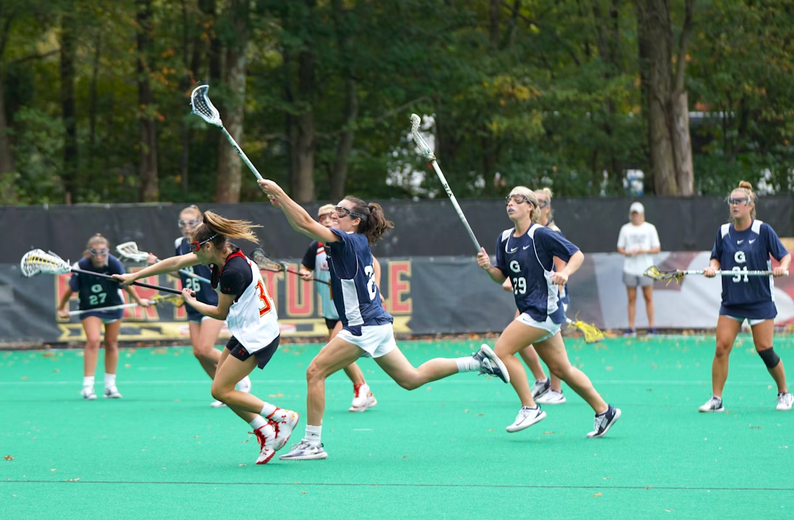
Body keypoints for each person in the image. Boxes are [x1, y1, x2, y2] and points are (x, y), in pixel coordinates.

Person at [257, 179, 509, 461]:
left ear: (354, 221)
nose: (334, 214)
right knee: (410, 379)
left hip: (363, 327)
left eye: (341, 211)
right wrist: (283, 207)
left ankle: (312, 443)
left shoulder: (349, 240)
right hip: (376, 324)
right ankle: (476, 361)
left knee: (315, 372)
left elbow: (305, 223)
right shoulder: (354, 240)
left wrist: (280, 191)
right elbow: (301, 224)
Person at [114, 212, 299, 465]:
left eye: (195, 249)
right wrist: (133, 277)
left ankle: (281, 416)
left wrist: (190, 301)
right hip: (245, 330)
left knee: (220, 390)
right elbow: (175, 262)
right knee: (224, 391)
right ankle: (264, 431)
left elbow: (220, 312)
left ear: (208, 246)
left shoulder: (232, 271)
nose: (193, 254)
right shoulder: (223, 253)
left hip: (258, 335)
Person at [477, 186, 621, 437]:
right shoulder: (504, 239)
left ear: (530, 207)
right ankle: (604, 410)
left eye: (517, 199)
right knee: (562, 369)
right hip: (532, 311)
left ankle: (530, 407)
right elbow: (502, 275)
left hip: (542, 312)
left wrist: (565, 272)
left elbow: (577, 254)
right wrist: (489, 268)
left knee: (501, 351)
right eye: (508, 199)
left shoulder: (541, 234)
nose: (510, 203)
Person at [698, 181, 793, 413]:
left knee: (764, 349)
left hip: (759, 300)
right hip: (732, 301)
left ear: (750, 205)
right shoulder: (722, 232)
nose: (734, 205)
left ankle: (784, 393)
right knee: (721, 348)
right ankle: (716, 400)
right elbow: (716, 258)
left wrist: (781, 267)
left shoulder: (763, 230)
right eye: (731, 201)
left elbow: (785, 256)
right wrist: (712, 267)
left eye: (739, 201)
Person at [148, 205, 251, 408]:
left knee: (205, 348)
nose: (186, 227)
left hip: (210, 300)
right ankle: (222, 389)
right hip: (192, 302)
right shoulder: (179, 244)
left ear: (200, 224)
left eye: (191, 223)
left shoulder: (208, 244)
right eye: (183, 223)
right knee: (198, 352)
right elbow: (180, 273)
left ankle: (238, 378)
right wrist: (155, 264)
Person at [300, 203, 379, 412]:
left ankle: (361, 388)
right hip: (332, 308)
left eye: (330, 215)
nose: (327, 219)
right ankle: (365, 391)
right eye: (322, 217)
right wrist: (306, 273)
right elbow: (306, 266)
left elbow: (372, 263)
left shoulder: (346, 240)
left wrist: (374, 288)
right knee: (408, 377)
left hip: (351, 310)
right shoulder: (316, 245)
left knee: (334, 348)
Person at [57, 234, 150, 400]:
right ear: (89, 253)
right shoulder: (82, 266)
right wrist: (61, 308)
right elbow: (70, 289)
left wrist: (138, 300)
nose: (99, 257)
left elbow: (126, 283)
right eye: (95, 253)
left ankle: (110, 386)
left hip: (113, 306)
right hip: (90, 308)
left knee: (111, 343)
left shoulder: (114, 263)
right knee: (93, 341)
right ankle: (88, 387)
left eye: (103, 253)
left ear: (107, 251)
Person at [503, 187, 568, 405]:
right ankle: (542, 380)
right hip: (531, 297)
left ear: (541, 206)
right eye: (509, 200)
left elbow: (559, 269)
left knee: (556, 358)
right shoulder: (520, 233)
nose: (511, 204)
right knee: (552, 356)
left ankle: (555, 390)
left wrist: (553, 301)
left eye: (540, 201)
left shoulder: (548, 232)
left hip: (548, 299)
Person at [617, 201, 661, 335]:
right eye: (633, 214)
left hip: (646, 269)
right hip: (630, 269)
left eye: (637, 214)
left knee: (648, 297)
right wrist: (628, 252)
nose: (635, 216)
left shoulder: (650, 228)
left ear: (642, 215)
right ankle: (631, 328)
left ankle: (651, 327)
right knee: (631, 298)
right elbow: (620, 248)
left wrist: (644, 250)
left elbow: (657, 248)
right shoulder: (625, 229)